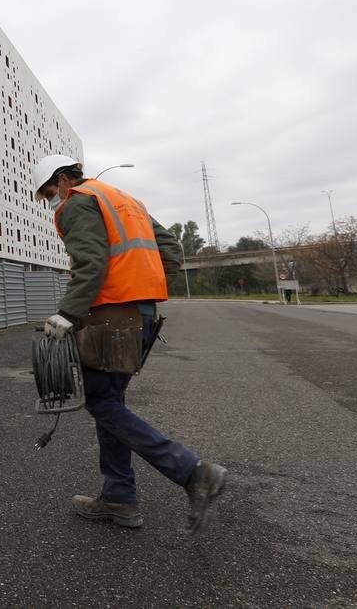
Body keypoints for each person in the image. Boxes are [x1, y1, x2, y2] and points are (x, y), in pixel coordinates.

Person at [32, 155, 227, 533]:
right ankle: (120, 497)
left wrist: (67, 314)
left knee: (102, 401)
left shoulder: (78, 203)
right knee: (109, 402)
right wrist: (143, 288)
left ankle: (192, 472)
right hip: (141, 314)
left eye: (49, 193)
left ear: (62, 181)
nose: (51, 202)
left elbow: (91, 262)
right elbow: (170, 248)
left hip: (110, 317)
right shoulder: (124, 200)